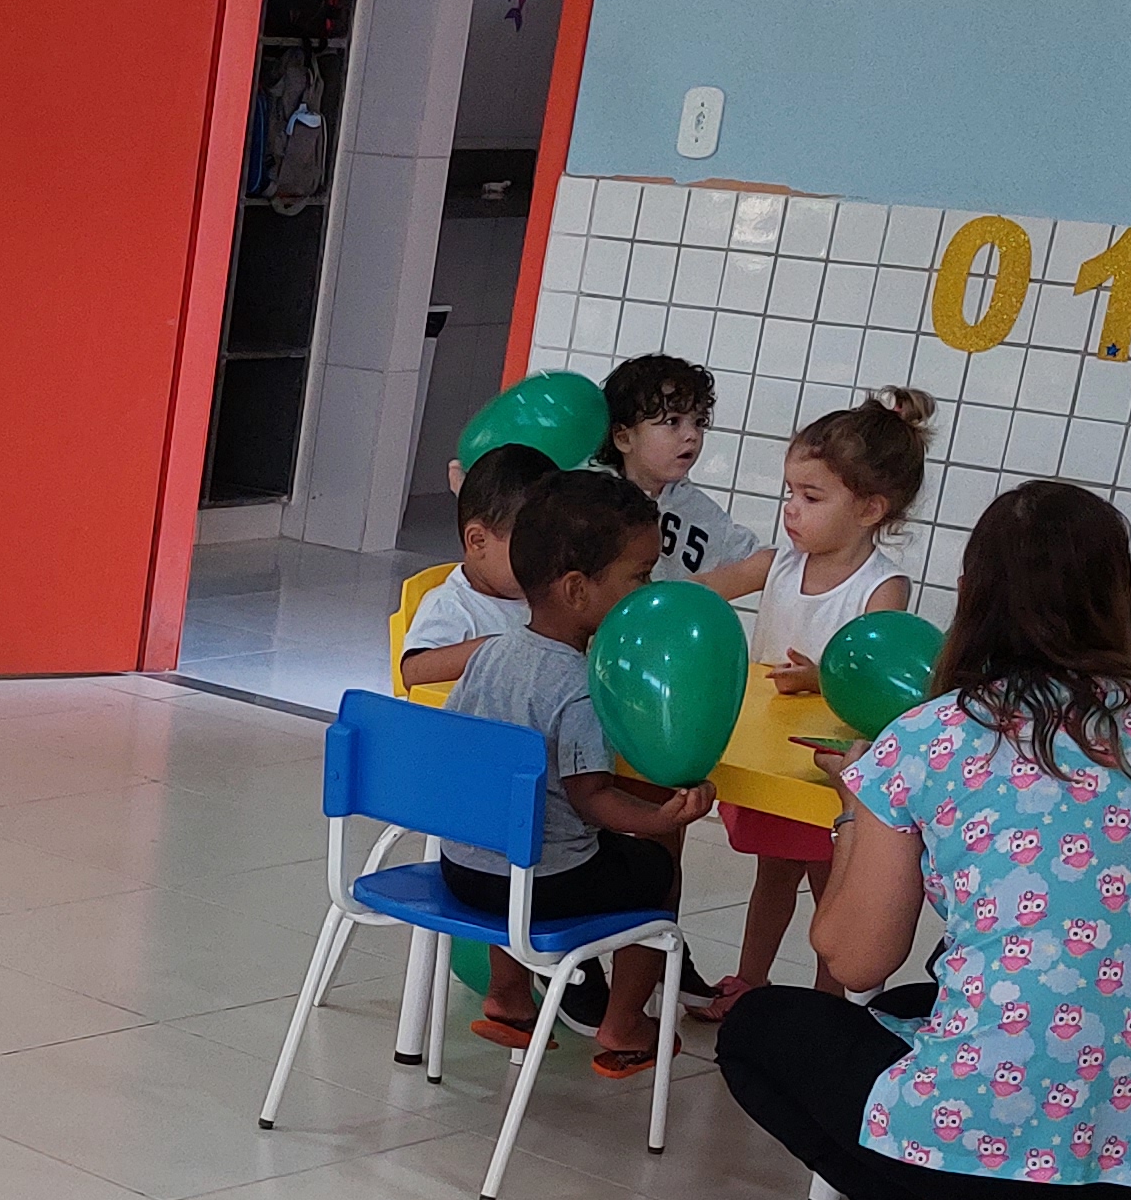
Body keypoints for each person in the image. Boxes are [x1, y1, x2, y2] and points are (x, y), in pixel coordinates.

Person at [717, 478, 1131, 1200]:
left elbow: (853, 957)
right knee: (919, 1005)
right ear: (1115, 598)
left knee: (758, 1030)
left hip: (971, 1139)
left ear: (972, 593)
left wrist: (856, 811)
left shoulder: (930, 737)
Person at [448, 466, 714, 1081]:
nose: (650, 591)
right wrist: (661, 818)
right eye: (640, 576)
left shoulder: (489, 655)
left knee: (514, 842)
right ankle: (623, 1024)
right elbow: (593, 798)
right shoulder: (579, 687)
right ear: (576, 590)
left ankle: (508, 995)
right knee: (656, 870)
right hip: (547, 885)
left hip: (463, 872)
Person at [697, 385, 937, 1019]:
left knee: (833, 882)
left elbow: (876, 679)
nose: (791, 510)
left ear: (870, 509)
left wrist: (820, 679)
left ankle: (828, 1002)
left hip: (831, 765)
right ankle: (750, 979)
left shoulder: (882, 586)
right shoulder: (776, 563)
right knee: (772, 874)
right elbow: (701, 593)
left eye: (811, 497)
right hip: (771, 753)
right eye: (789, 493)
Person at [603, 353, 770, 596]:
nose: (692, 435)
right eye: (673, 422)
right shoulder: (591, 501)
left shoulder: (699, 511)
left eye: (699, 422)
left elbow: (760, 561)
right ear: (624, 438)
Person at [399, 445, 554, 694]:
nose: (548, 562)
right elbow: (413, 672)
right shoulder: (451, 605)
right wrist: (494, 650)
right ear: (478, 541)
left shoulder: (545, 599)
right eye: (533, 550)